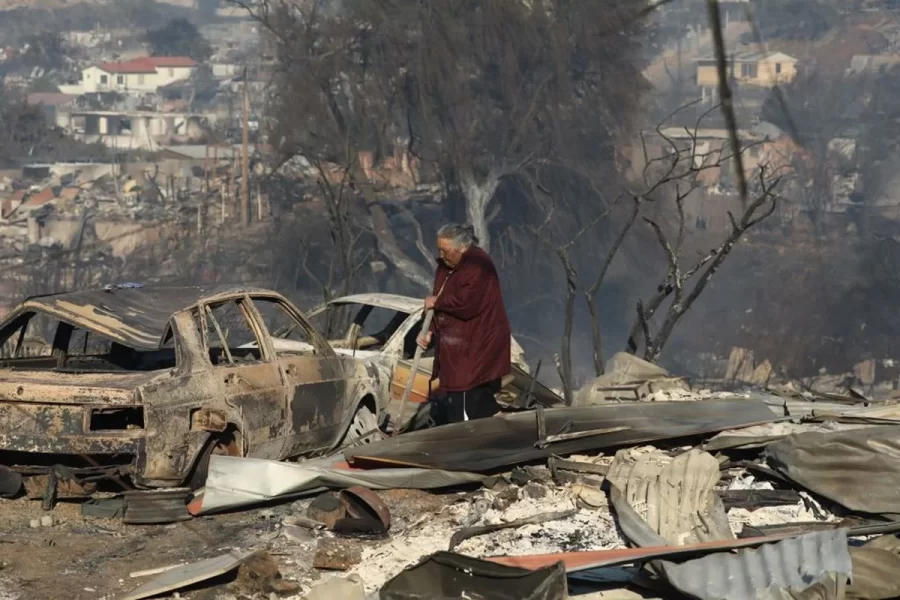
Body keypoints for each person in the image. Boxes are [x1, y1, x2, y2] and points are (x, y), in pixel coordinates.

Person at [417, 223, 511, 423]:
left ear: (461, 248)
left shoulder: (478, 266)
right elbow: (439, 299)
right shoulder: (447, 266)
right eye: (439, 250)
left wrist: (437, 302)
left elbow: (467, 303)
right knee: (461, 393)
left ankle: (468, 434)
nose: (441, 255)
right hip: (458, 347)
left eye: (445, 251)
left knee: (467, 392)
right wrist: (430, 330)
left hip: (477, 343)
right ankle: (486, 426)